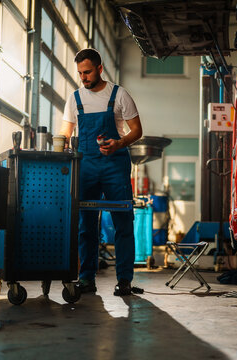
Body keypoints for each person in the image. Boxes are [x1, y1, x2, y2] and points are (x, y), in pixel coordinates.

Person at [59, 48, 142, 296]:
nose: (83, 78)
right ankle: (86, 279)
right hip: (86, 166)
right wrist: (61, 143)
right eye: (80, 73)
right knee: (86, 224)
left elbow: (136, 130)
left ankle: (124, 280)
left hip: (115, 165)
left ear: (99, 68)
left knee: (123, 222)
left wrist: (119, 144)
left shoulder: (119, 95)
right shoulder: (74, 98)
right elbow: (66, 132)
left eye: (87, 72)